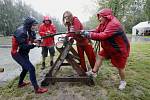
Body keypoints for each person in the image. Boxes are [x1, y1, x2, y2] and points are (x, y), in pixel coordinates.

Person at [81, 8, 130, 90]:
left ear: (107, 16)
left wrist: (88, 35)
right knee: (100, 56)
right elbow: (97, 30)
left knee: (120, 67)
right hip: (109, 47)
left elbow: (103, 36)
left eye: (101, 17)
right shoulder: (103, 23)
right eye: (99, 16)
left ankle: (123, 81)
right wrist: (85, 32)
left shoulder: (114, 24)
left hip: (119, 49)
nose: (99, 19)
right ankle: (94, 73)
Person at [11, 17, 48, 94]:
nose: (35, 27)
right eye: (34, 25)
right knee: (31, 68)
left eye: (36, 25)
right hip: (17, 53)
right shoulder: (21, 32)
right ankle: (37, 89)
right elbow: (23, 46)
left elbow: (32, 39)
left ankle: (20, 83)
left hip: (24, 53)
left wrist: (37, 41)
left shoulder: (30, 30)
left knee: (25, 68)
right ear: (29, 25)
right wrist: (34, 44)